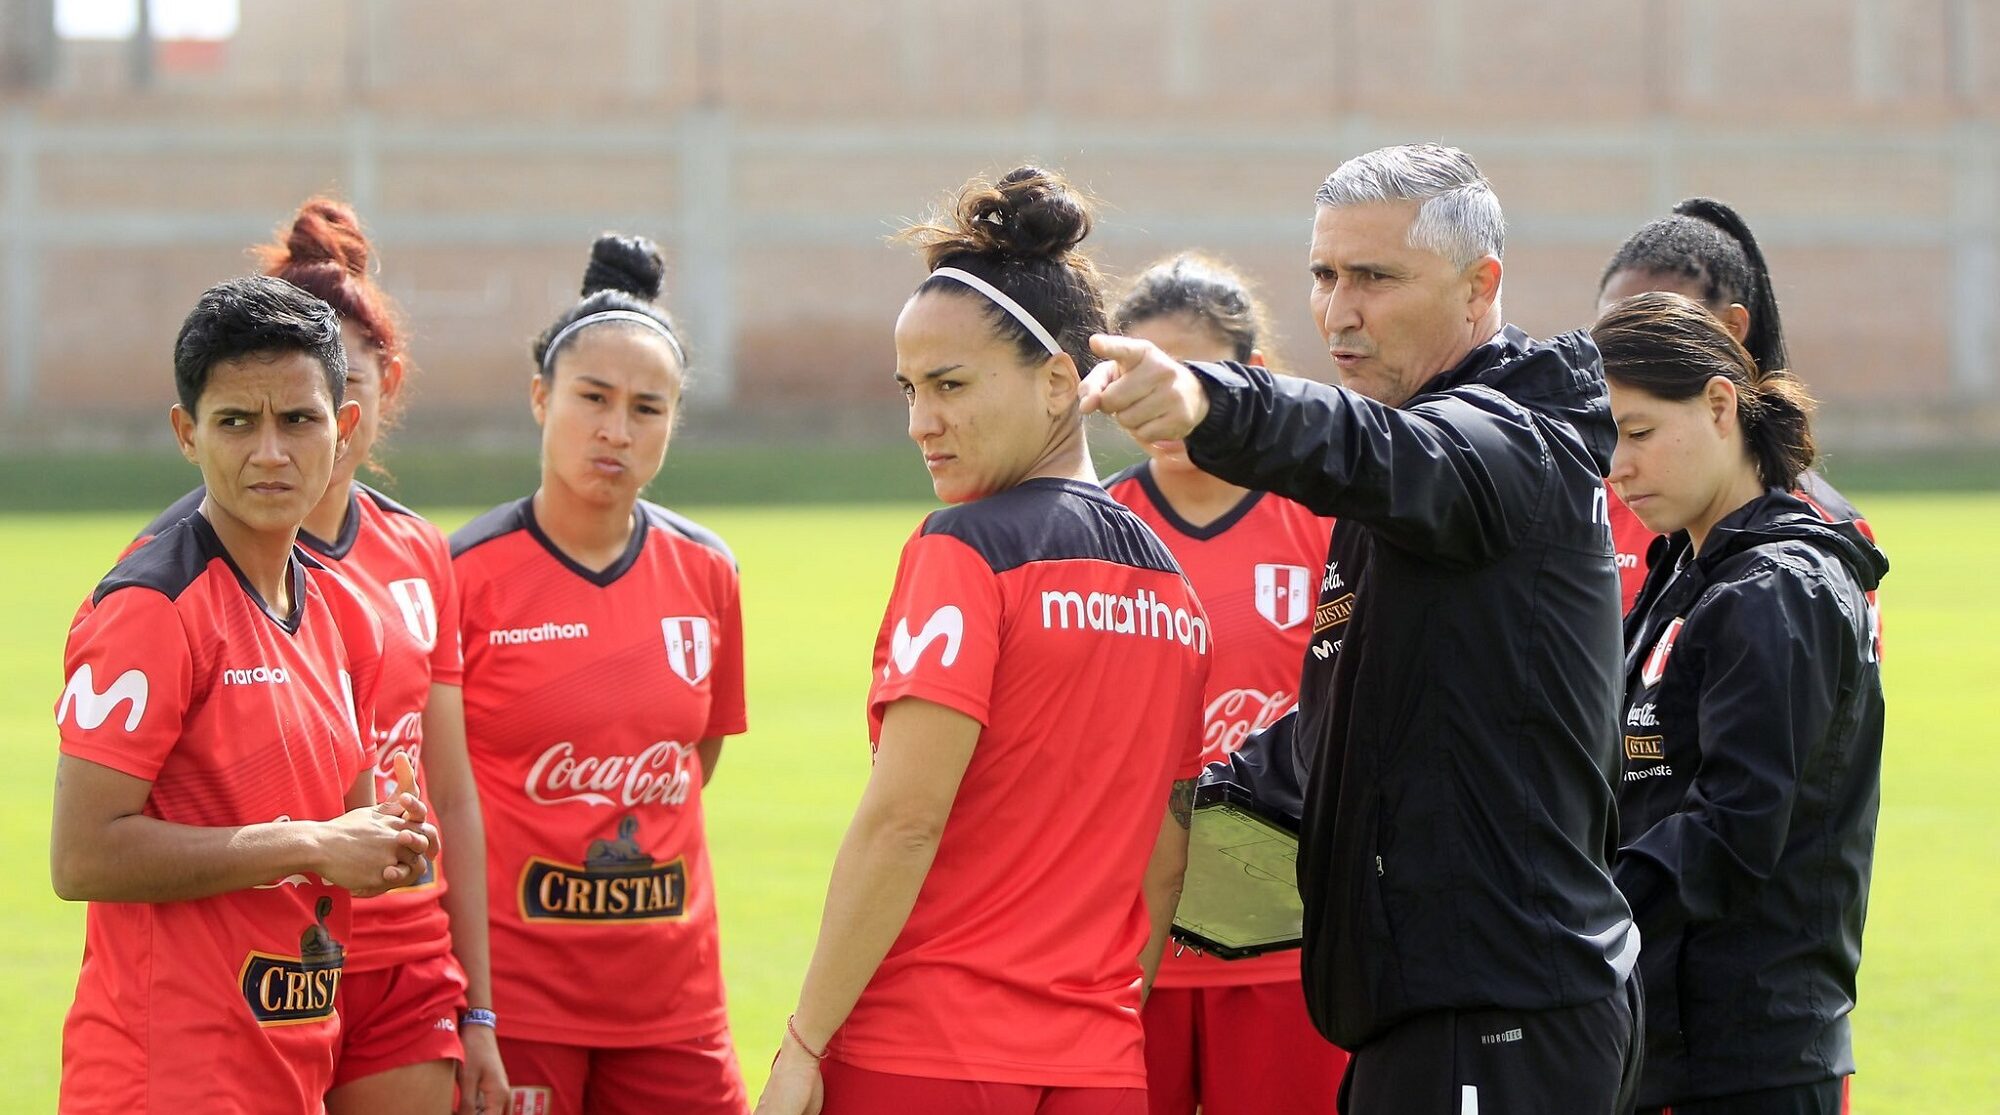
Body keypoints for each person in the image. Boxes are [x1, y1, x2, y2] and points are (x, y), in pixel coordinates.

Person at [1082, 143, 1640, 1115]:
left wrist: (1210, 401)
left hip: (1498, 1013)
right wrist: (1144, 813)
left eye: (1374, 278)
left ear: (1480, 286)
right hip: (1423, 1014)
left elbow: (1391, 450)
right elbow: (1325, 740)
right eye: (1323, 275)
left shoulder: (1510, 443)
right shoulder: (1405, 473)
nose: (1338, 310)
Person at [754, 167, 1210, 1115]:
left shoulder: (963, 550)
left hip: (927, 1051)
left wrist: (801, 1041)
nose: (923, 421)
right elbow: (1166, 855)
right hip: (1098, 1058)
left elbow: (905, 819)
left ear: (1056, 382)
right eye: (911, 389)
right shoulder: (1175, 584)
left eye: (952, 385)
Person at [131, 199, 508, 1115]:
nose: (281, 436)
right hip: (265, 957)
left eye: (310, 406)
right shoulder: (175, 578)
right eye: (250, 413)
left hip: (403, 961)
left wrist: (483, 1007)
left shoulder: (419, 552)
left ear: (367, 393)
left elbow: (450, 789)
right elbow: (110, 836)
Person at [50, 275, 437, 1113]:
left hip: (292, 1067)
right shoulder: (150, 610)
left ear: (343, 433)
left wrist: (387, 841)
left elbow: (345, 834)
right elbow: (82, 855)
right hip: (166, 1079)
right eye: (236, 422)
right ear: (188, 434)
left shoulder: (343, 613)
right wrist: (309, 842)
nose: (270, 451)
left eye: (297, 419)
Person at [450, 233, 749, 1115]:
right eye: (593, 398)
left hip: (675, 1002)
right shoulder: (461, 575)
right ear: (542, 398)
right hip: (518, 1003)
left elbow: (696, 755)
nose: (617, 430)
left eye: (648, 408)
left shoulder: (707, 570)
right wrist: (470, 1006)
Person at [1594, 292, 1887, 1115]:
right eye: (1606, 437)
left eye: (1640, 431)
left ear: (1721, 404)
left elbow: (1735, 824)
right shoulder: (1681, 570)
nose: (1618, 466)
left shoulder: (1776, 587)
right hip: (1661, 1040)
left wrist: (1568, 911)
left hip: (1747, 1060)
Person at [1100, 253, 1347, 1115]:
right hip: (1127, 941)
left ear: (1254, 378)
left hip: (1287, 939)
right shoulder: (1094, 527)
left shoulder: (1322, 523)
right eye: (1134, 371)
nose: (1155, 398)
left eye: (1188, 372)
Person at [1597, 198, 1877, 621]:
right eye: (1614, 326)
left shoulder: (1806, 552)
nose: (1628, 346)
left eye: (1662, 324)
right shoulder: (1590, 498)